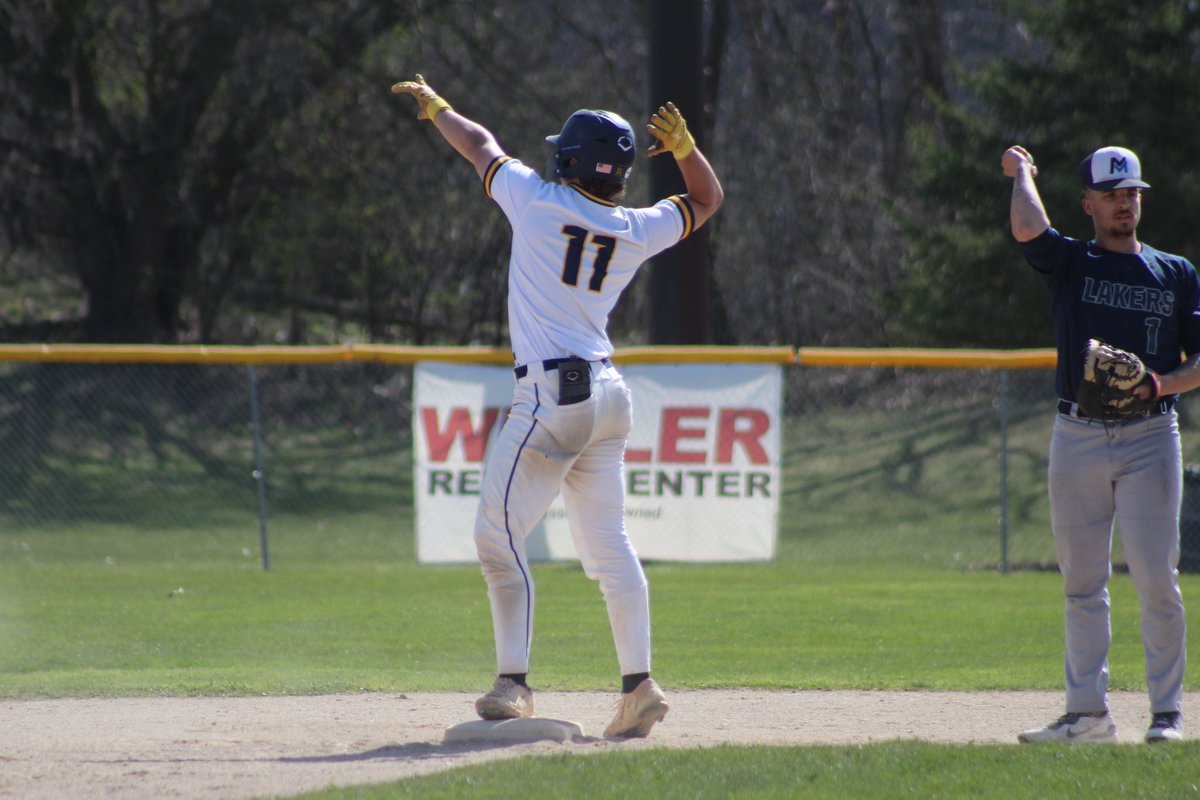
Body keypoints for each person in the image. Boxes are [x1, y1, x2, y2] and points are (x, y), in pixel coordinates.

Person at [392, 75, 723, 738]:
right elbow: (707, 199)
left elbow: (479, 144)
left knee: (496, 535)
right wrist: (687, 149)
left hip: (552, 395)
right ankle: (639, 686)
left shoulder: (536, 199)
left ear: (568, 159)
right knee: (609, 547)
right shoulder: (635, 226)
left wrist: (438, 108)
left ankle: (513, 684)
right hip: (609, 396)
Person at [1002, 143, 1200, 744]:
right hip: (1077, 435)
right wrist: (1023, 173)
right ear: (1088, 204)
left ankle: (1166, 714)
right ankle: (1087, 715)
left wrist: (1159, 383)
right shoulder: (1072, 262)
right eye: (1112, 195)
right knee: (1082, 583)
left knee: (1156, 579)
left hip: (1150, 435)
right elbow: (1026, 227)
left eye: (1132, 193)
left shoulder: (1175, 272)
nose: (1124, 204)